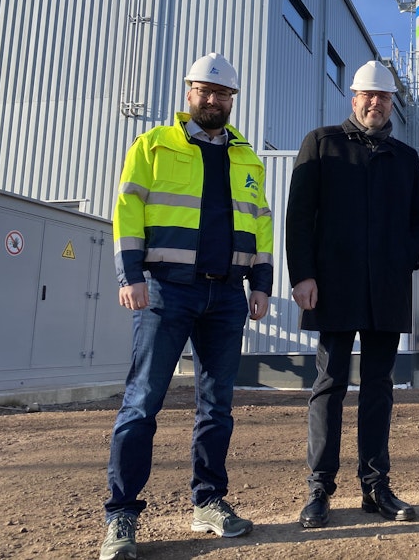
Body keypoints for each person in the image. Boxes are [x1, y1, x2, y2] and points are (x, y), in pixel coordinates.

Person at [99, 53, 274, 560]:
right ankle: (121, 515)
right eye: (205, 91)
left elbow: (260, 223)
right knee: (142, 403)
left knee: (216, 406)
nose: (213, 100)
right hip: (165, 289)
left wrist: (260, 283)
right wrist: (130, 275)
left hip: (227, 296)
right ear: (188, 93)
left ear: (232, 101)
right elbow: (127, 208)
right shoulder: (154, 144)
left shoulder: (247, 158)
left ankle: (208, 502)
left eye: (222, 94)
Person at [286, 60, 419, 528]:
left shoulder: (406, 159)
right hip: (334, 286)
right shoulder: (322, 143)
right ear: (354, 99)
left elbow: (417, 222)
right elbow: (299, 215)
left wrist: (403, 259)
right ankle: (319, 489)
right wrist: (303, 274)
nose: (375, 103)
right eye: (368, 96)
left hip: (386, 290)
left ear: (392, 103)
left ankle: (375, 486)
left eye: (384, 97)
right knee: (329, 386)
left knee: (378, 389)